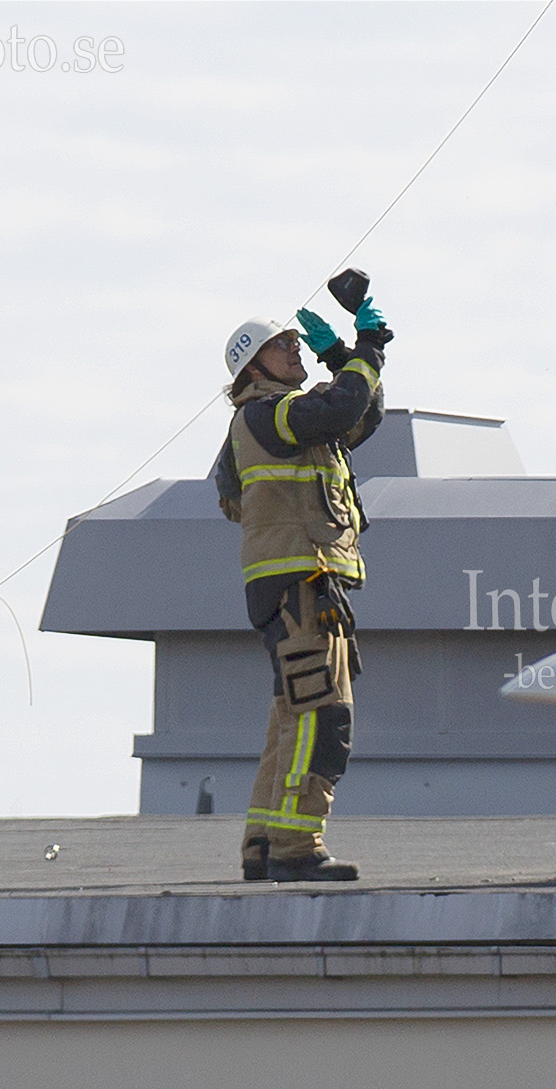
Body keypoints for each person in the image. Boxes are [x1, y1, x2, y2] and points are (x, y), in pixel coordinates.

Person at [212, 293, 393, 881]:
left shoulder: (285, 419)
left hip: (296, 582)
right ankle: (296, 847)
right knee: (322, 714)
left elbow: (361, 414)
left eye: (295, 342)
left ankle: (264, 844)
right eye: (282, 344)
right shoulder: (269, 414)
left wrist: (343, 357)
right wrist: (366, 347)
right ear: (252, 368)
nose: (295, 349)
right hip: (301, 582)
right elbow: (340, 408)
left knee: (292, 715)